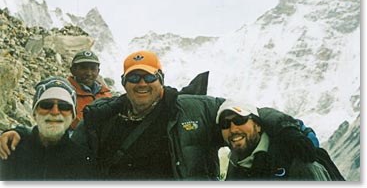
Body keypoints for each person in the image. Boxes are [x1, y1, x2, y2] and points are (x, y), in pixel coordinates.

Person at [0, 50, 318, 180]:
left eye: (148, 77)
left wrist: (287, 127)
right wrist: (22, 133)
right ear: (123, 84)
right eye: (133, 78)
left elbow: (248, 112)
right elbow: (65, 139)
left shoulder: (196, 108)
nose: (142, 83)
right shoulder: (101, 115)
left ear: (161, 80)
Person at [0, 77, 97, 180]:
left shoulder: (83, 162)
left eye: (64, 107)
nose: (55, 112)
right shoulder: (9, 150)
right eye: (46, 105)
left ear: (73, 116)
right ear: (34, 113)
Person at [216, 99, 332, 181]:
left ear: (258, 126)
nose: (233, 129)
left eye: (240, 120)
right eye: (225, 124)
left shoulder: (293, 157)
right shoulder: (232, 168)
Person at [68, 50, 112, 129]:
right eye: (83, 68)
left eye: (93, 69)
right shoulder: (66, 94)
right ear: (73, 70)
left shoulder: (106, 95)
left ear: (98, 71)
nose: (89, 73)